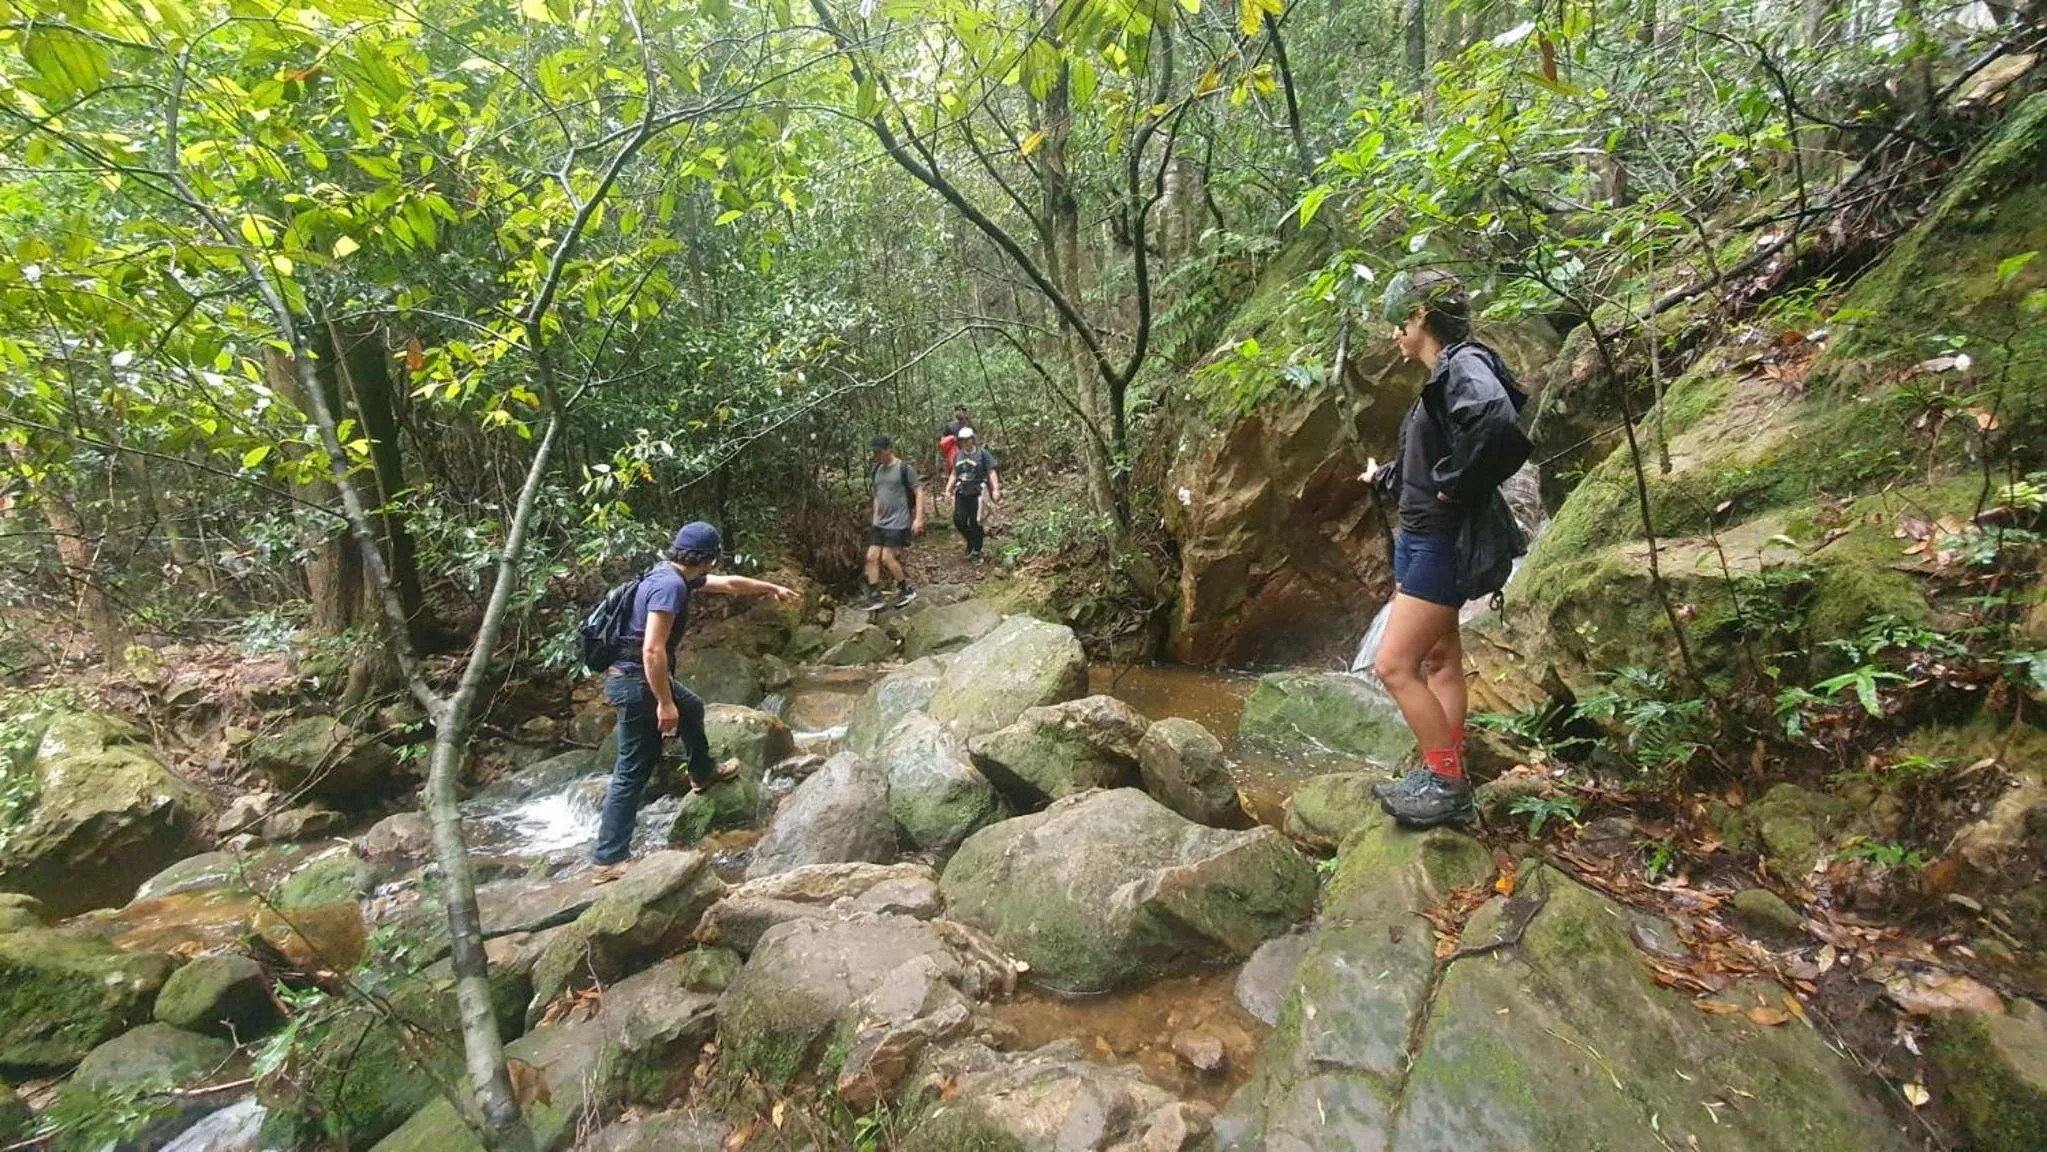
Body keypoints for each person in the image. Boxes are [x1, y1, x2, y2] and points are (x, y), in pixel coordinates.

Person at [1364, 269, 1529, 827]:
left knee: (1392, 665)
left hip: (1441, 541)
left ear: (1420, 318)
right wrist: (1384, 477)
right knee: (1439, 659)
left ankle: (1447, 784)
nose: (1394, 336)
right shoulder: (1443, 375)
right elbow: (1425, 464)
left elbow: (1498, 424)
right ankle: (1444, 766)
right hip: (1421, 537)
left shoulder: (1464, 364)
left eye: (1398, 323)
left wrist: (1454, 482)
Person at [594, 521, 798, 874]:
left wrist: (771, 587)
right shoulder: (670, 588)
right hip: (635, 681)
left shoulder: (670, 574)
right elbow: (652, 651)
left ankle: (702, 772)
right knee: (632, 769)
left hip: (630, 678)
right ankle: (608, 859)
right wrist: (664, 702)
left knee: (693, 706)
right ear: (710, 558)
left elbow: (732, 585)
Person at [862, 435, 926, 609]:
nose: (876, 456)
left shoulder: (904, 468)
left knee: (887, 557)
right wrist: (875, 516)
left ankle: (906, 589)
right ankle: (875, 596)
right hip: (880, 522)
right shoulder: (876, 470)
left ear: (888, 450)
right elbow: (877, 495)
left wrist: (918, 518)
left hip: (899, 521)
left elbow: (918, 491)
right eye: (874, 453)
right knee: (871, 557)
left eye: (879, 452)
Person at [943, 427, 1001, 564]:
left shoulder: (982, 454)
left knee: (976, 522)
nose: (965, 443)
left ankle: (976, 550)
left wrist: (995, 489)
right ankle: (971, 541)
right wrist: (948, 490)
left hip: (978, 493)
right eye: (962, 440)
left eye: (967, 440)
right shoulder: (958, 456)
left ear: (972, 439)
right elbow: (954, 473)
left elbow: (991, 472)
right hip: (962, 492)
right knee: (959, 520)